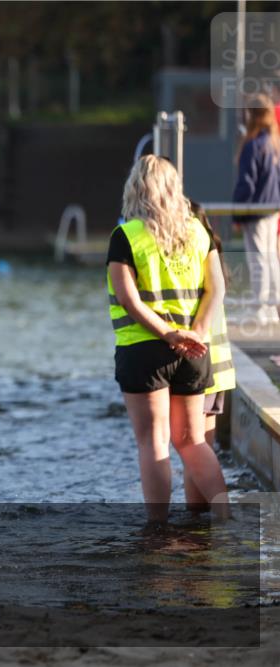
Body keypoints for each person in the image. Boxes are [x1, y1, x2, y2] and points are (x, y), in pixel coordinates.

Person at [107, 156, 229, 522]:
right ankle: (227, 515)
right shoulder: (197, 231)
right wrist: (196, 335)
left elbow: (128, 298)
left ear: (136, 189)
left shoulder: (126, 235)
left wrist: (167, 333)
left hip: (144, 349)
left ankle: (158, 531)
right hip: (193, 350)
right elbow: (216, 288)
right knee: (192, 441)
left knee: (153, 442)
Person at [183, 202, 236, 512]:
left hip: (203, 367)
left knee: (192, 448)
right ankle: (205, 520)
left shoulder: (196, 264)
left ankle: (203, 517)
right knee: (202, 446)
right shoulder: (215, 265)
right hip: (221, 370)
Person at [232, 94, 280, 325]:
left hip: (258, 211)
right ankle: (272, 307)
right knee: (271, 259)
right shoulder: (273, 143)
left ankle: (259, 310)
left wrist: (237, 213)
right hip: (272, 208)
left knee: (258, 259)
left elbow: (246, 183)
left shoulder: (253, 145)